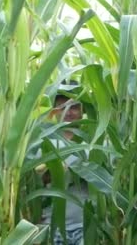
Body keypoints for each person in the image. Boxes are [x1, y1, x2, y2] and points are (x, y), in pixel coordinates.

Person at [39, 82, 88, 245]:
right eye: (62, 107)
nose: (68, 111)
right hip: (51, 228)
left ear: (83, 110)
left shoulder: (93, 142)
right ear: (53, 111)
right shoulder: (41, 142)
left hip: (86, 228)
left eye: (73, 106)